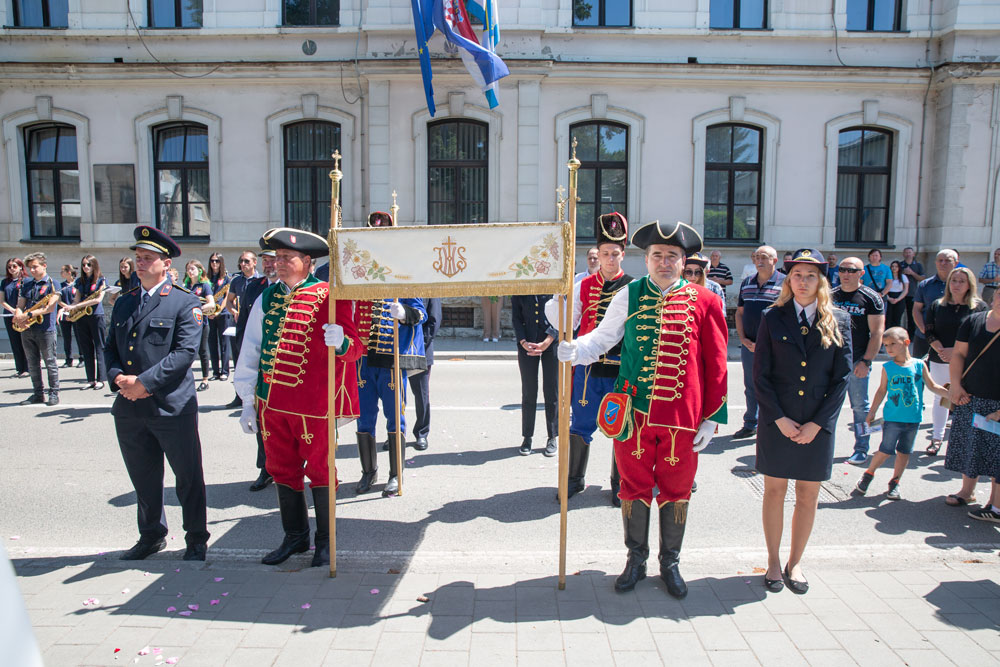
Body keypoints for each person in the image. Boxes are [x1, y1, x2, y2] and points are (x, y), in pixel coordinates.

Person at [558, 219, 727, 598]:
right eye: (657, 255)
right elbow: (603, 338)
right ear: (646, 259)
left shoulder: (706, 301)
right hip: (634, 413)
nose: (664, 262)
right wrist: (577, 350)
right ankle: (636, 560)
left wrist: (712, 418)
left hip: (683, 417)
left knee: (677, 489)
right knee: (633, 487)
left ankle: (671, 563)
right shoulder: (629, 294)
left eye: (672, 256)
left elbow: (717, 363)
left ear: (683, 261)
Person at [234, 228, 362, 567]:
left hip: (313, 407)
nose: (278, 263)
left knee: (321, 471)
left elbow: (355, 349)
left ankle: (325, 542)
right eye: (276, 258)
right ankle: (295, 537)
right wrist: (247, 400)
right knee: (281, 469)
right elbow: (251, 349)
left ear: (307, 261)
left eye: (286, 258)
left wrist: (342, 342)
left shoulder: (331, 295)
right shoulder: (266, 297)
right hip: (271, 404)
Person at [105, 226, 209, 561]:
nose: (140, 263)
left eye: (148, 258)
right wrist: (118, 378)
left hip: (171, 406)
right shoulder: (125, 302)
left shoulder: (184, 301)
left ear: (166, 263)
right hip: (130, 407)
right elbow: (109, 349)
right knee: (144, 478)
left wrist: (144, 384)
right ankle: (151, 535)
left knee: (187, 477)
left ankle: (196, 538)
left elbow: (184, 353)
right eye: (138, 257)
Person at [753, 248, 852, 594]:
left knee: (808, 495)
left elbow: (841, 378)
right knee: (774, 492)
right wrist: (778, 418)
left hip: (816, 424)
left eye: (811, 276)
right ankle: (773, 562)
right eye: (797, 275)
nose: (803, 282)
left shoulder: (838, 319)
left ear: (821, 280)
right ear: (788, 279)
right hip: (778, 422)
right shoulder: (772, 317)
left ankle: (795, 563)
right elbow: (760, 376)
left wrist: (818, 424)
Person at [544, 212, 633, 503]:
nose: (609, 259)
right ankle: (574, 479)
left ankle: (619, 483)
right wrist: (558, 299)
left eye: (615, 254)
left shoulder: (634, 287)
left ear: (623, 254)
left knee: (621, 427)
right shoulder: (583, 285)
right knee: (581, 424)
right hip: (588, 367)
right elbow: (567, 322)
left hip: (621, 370)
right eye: (605, 253)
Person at [354, 211, 427, 497]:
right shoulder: (357, 268)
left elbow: (420, 312)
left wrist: (404, 313)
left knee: (395, 418)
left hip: (390, 357)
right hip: (362, 357)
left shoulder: (403, 270)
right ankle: (368, 471)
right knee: (364, 418)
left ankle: (395, 474)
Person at [855, 327, 949, 500]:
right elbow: (881, 390)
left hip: (913, 418)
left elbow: (932, 386)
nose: (888, 348)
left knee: (904, 452)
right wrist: (872, 412)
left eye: (893, 344)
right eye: (885, 345)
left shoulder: (919, 365)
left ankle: (895, 482)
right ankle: (869, 474)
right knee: (885, 450)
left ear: (906, 343)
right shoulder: (888, 367)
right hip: (893, 418)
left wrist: (952, 395)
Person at [942, 286, 1000, 521]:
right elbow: (958, 354)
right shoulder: (973, 321)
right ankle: (967, 492)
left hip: (997, 402)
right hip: (969, 396)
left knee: (996, 455)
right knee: (970, 447)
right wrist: (955, 385)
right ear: (993, 297)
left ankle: (995, 505)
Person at [923, 267, 988, 455]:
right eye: (954, 280)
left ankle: (964, 443)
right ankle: (937, 438)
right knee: (942, 397)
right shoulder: (937, 305)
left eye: (961, 281)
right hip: (940, 358)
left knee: (966, 398)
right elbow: (929, 331)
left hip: (968, 361)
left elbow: (981, 336)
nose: (956, 285)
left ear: (969, 285)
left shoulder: (979, 307)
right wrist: (941, 350)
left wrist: (957, 352)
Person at [831, 256, 885, 465]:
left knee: (861, 406)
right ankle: (822, 447)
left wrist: (867, 362)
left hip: (857, 361)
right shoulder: (831, 295)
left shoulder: (871, 298)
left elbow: (877, 333)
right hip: (832, 361)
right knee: (827, 405)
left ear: (861, 273)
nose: (846, 274)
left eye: (851, 270)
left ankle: (862, 448)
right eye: (843, 269)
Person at [733, 246, 785, 440]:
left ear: (775, 260)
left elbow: (788, 317)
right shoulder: (747, 283)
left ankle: (772, 424)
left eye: (764, 257)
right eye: (756, 257)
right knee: (751, 385)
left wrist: (769, 342)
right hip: (749, 346)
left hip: (775, 347)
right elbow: (740, 313)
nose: (759, 261)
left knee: (773, 385)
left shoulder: (786, 283)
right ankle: (750, 423)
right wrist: (743, 338)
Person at [512, 293, 558, 456]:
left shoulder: (554, 284)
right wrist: (523, 341)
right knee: (529, 392)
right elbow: (516, 318)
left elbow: (562, 314)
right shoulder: (522, 286)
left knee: (551, 391)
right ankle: (527, 437)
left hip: (551, 343)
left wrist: (548, 340)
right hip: (527, 343)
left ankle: (552, 436)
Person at [13, 252, 61, 406]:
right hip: (28, 329)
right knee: (32, 363)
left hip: (46, 329)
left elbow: (49, 308)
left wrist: (29, 314)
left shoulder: (54, 283)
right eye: (30, 268)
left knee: (50, 362)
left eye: (35, 267)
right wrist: (18, 314)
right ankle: (38, 394)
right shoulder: (27, 284)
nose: (32, 270)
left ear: (44, 266)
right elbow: (20, 305)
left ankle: (54, 393)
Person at [223, 250, 261, 409]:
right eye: (241, 261)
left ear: (254, 263)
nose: (243, 264)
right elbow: (229, 301)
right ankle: (239, 396)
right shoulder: (236, 281)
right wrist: (234, 312)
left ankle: (257, 397)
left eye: (246, 261)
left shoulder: (260, 281)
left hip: (257, 325)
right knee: (239, 360)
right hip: (241, 325)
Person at [69, 255, 109, 391]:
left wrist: (78, 305)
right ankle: (90, 379)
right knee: (86, 348)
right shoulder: (80, 281)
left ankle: (101, 379)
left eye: (88, 264)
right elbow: (76, 299)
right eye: (84, 265)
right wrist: (70, 307)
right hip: (82, 316)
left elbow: (98, 299)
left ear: (94, 265)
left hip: (96, 315)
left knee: (99, 346)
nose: (85, 267)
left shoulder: (101, 280)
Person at [912, 249, 958, 358]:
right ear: (935, 262)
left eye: (947, 260)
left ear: (956, 263)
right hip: (924, 337)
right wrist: (925, 331)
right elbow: (916, 310)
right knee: (921, 367)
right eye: (940, 260)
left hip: (952, 339)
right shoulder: (925, 285)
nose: (943, 263)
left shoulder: (961, 285)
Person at [411, 298, 442, 451]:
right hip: (398, 348)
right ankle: (395, 433)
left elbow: (434, 319)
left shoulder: (428, 288)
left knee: (421, 394)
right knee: (395, 395)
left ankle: (421, 432)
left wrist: (419, 342)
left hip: (421, 348)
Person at [183, 260, 215, 392]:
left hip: (201, 322)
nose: (190, 272)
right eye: (188, 269)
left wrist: (197, 310)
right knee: (187, 350)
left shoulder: (204, 285)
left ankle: (205, 379)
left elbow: (211, 303)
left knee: (202, 350)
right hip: (187, 323)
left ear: (200, 271)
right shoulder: (185, 286)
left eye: (193, 269)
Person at [205, 253, 232, 382]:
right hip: (210, 314)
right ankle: (215, 371)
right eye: (212, 261)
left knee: (224, 343)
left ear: (221, 262)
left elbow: (227, 297)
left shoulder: (226, 278)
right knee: (212, 342)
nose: (214, 263)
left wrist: (218, 311)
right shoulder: (207, 278)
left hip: (223, 313)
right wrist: (209, 312)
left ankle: (225, 371)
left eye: (217, 261)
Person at [2, 258, 28, 378]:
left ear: (20, 267)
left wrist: (19, 311)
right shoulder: (5, 282)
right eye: (9, 267)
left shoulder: (26, 280)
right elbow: (2, 300)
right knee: (15, 342)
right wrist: (13, 310)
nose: (11, 269)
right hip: (9, 315)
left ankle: (27, 368)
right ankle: (20, 368)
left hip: (23, 315)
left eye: (14, 266)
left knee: (25, 341)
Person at [55, 264, 79, 368]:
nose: (61, 273)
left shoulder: (78, 284)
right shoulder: (61, 285)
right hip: (65, 313)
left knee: (79, 336)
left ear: (69, 272)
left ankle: (82, 358)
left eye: (62, 271)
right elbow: (58, 300)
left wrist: (73, 307)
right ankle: (68, 359)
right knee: (66, 338)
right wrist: (67, 307)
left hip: (76, 313)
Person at [898, 247, 925, 339]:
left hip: (912, 293)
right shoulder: (900, 265)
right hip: (900, 294)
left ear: (913, 254)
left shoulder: (918, 265)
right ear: (903, 254)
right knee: (899, 314)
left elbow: (922, 278)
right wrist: (903, 272)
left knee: (911, 315)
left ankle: (912, 335)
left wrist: (912, 273)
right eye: (906, 252)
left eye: (910, 252)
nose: (908, 254)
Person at [884, 261, 908, 329]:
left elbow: (905, 290)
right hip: (889, 297)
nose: (894, 268)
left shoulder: (903, 277)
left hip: (899, 298)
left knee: (897, 319)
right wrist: (889, 298)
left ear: (899, 268)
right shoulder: (887, 277)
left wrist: (898, 299)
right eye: (892, 266)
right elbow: (884, 288)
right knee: (888, 319)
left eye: (896, 266)